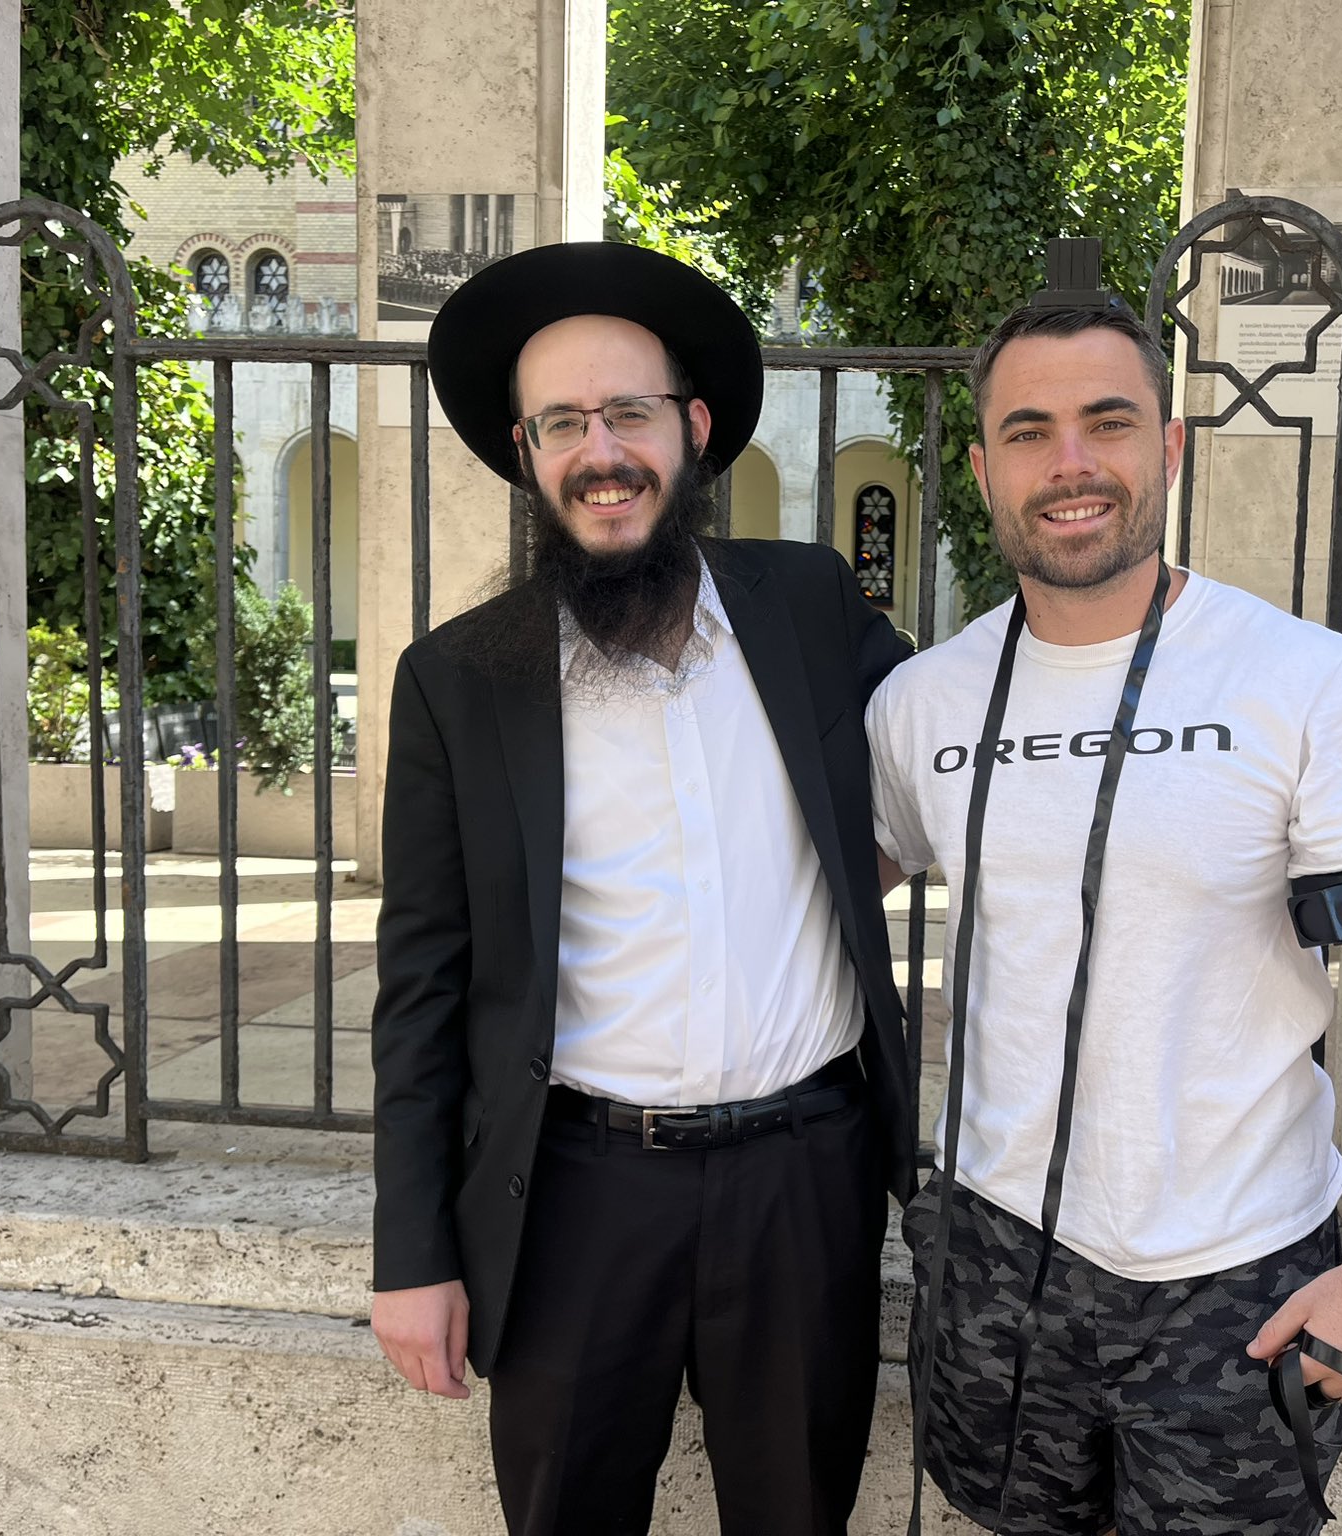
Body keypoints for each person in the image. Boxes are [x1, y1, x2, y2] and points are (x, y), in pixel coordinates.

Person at [866, 290, 1342, 1535]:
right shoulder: (921, 702)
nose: (1072, 464)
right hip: (994, 1268)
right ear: (982, 466)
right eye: (1029, 432)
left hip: (1235, 1282)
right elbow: (807, 918)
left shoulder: (1296, 679)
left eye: (1108, 423)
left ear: (1170, 444)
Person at [369, 241, 916, 1536]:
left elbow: (947, 749)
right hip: (574, 1197)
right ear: (524, 449)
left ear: (695, 428)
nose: (598, 450)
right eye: (563, 422)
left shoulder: (810, 602)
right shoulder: (459, 680)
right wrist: (414, 1257)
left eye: (628, 412)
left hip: (805, 1179)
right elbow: (420, 987)